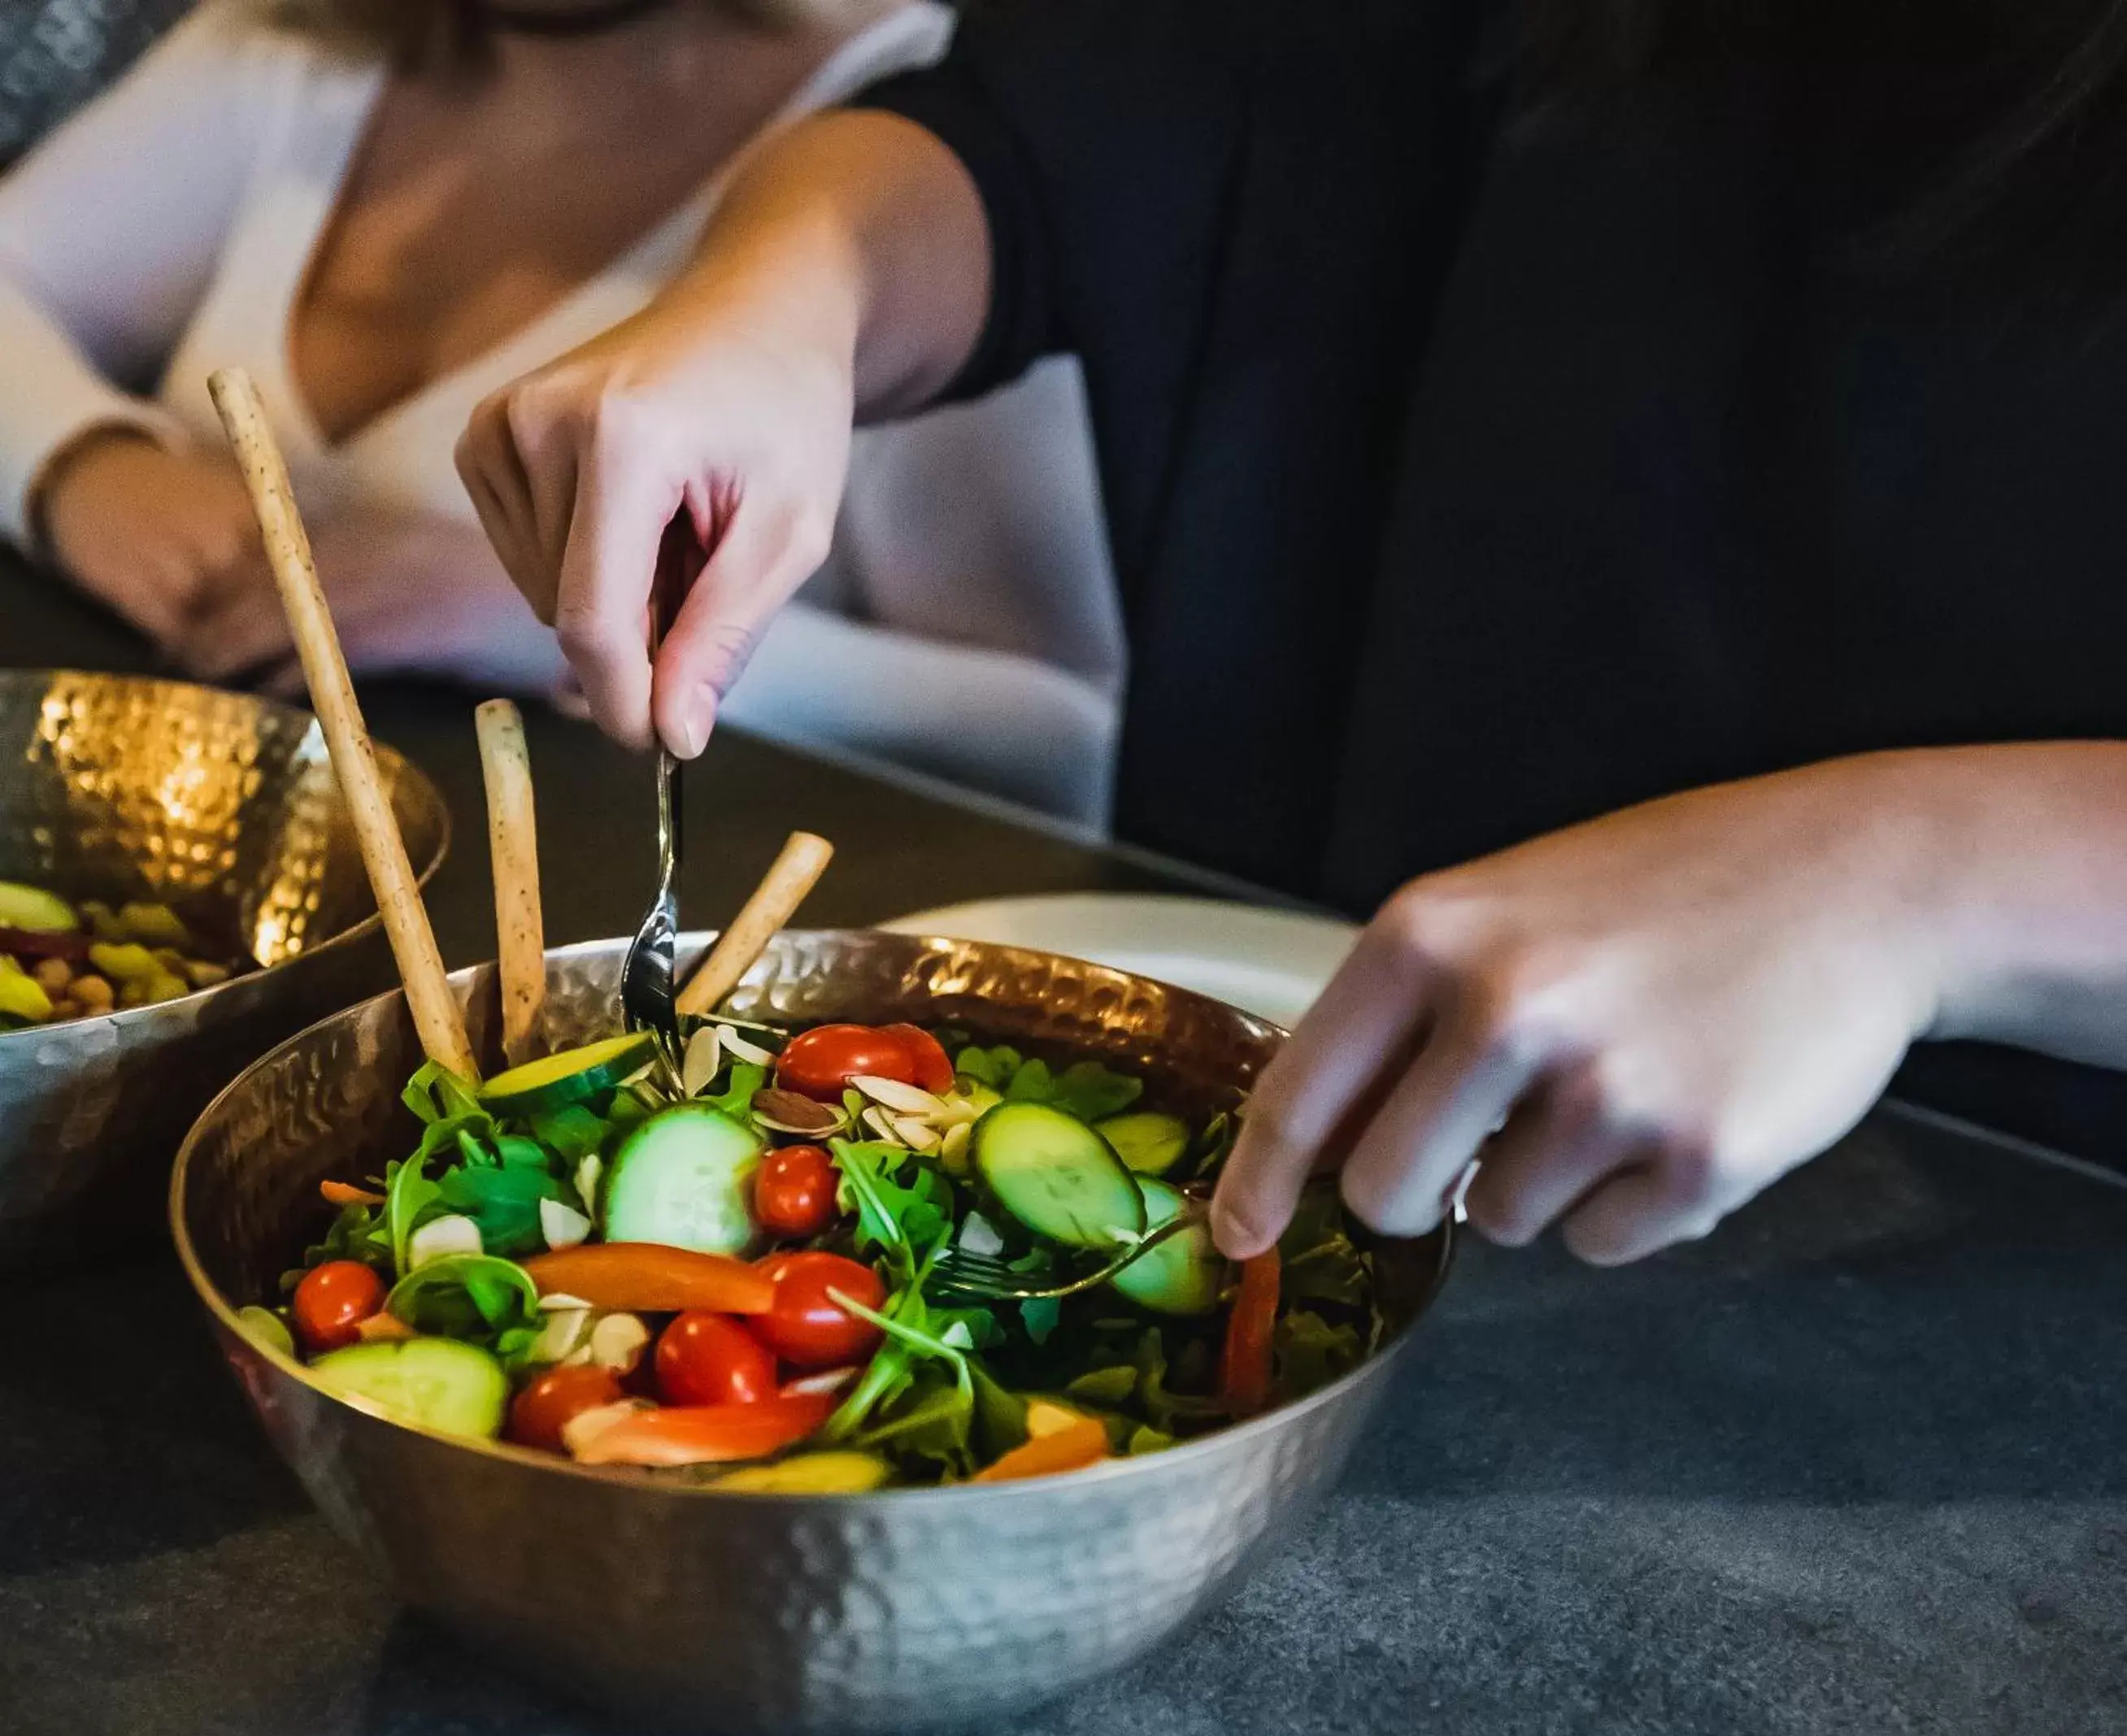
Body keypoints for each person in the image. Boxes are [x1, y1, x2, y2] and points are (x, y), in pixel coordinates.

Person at [455, 0, 2127, 1264]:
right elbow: (1051, 135)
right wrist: (786, 296)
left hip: (2004, 1283)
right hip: (1295, 1123)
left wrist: (1915, 877)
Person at [0, 0, 1124, 824]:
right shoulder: (311, 39)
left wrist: (556, 630)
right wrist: (79, 462)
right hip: (190, 854)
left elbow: (1064, 740)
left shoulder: (919, 154)